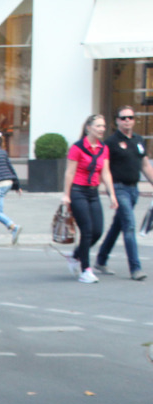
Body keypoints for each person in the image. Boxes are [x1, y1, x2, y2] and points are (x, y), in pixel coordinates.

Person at [94, 105, 153, 280]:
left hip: (134, 189)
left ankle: (101, 259)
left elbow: (145, 166)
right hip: (119, 189)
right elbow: (103, 169)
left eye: (130, 118)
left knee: (117, 226)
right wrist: (110, 190)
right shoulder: (111, 143)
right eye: (123, 118)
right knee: (129, 225)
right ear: (117, 121)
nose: (127, 121)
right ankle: (135, 268)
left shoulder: (139, 140)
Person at [61, 114, 118, 283]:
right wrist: (66, 195)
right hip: (78, 191)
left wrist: (112, 194)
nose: (102, 129)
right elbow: (69, 172)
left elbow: (105, 172)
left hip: (93, 192)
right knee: (86, 230)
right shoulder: (77, 148)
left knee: (98, 231)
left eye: (103, 126)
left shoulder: (103, 148)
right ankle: (86, 269)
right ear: (88, 128)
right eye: (98, 126)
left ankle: (76, 255)